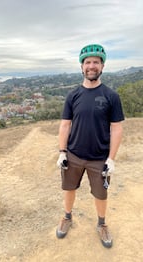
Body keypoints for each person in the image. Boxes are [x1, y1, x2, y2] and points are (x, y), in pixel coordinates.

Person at [56, 44, 124, 248]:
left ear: (102, 66)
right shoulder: (73, 95)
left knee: (100, 194)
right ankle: (67, 218)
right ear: (82, 67)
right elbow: (65, 125)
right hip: (74, 154)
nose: (91, 66)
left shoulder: (111, 96)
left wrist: (111, 158)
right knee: (69, 189)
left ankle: (102, 224)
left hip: (99, 158)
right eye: (87, 62)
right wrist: (62, 152)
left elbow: (117, 129)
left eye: (96, 62)